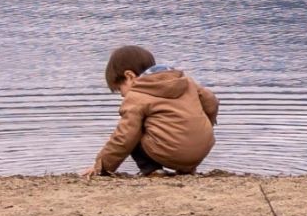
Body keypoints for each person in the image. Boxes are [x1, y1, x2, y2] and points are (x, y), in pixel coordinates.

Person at [83, 44, 220, 176]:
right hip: (201, 150)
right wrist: (205, 125)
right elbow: (212, 101)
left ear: (129, 76)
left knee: (132, 132)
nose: (122, 95)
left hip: (171, 152)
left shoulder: (136, 96)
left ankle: (153, 170)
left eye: (120, 88)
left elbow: (124, 138)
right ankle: (186, 170)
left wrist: (101, 166)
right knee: (179, 125)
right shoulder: (187, 82)